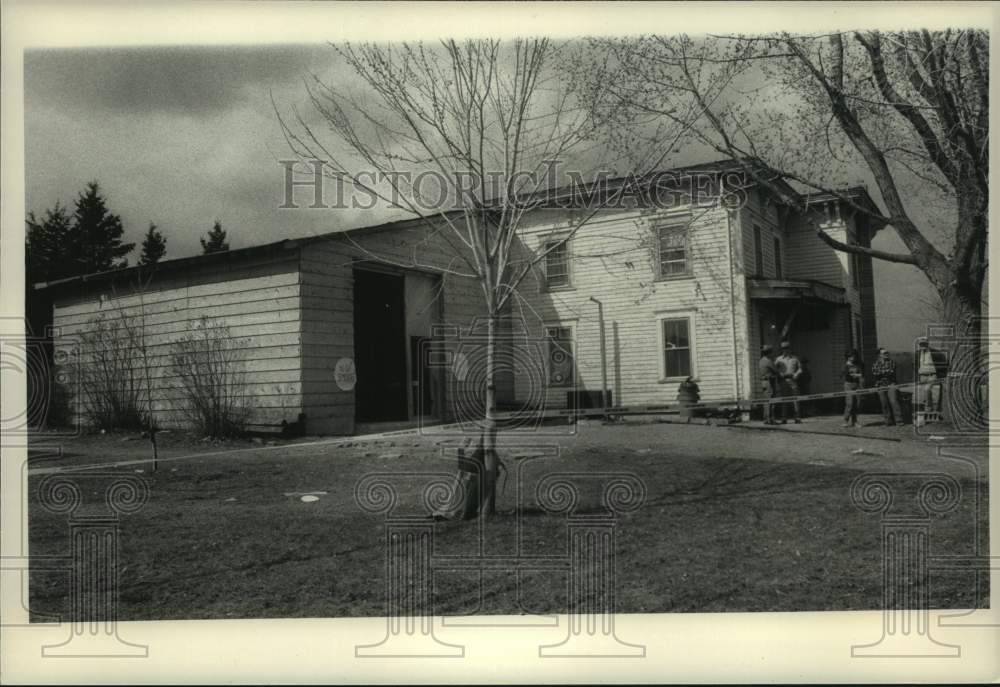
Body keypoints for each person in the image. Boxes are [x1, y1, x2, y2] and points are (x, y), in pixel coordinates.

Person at [871, 347, 905, 426]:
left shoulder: (892, 362)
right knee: (884, 403)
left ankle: (899, 420)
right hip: (880, 385)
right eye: (884, 353)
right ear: (879, 355)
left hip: (891, 384)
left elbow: (890, 373)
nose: (886, 354)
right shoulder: (875, 364)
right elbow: (876, 374)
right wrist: (884, 373)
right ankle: (888, 421)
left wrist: (882, 373)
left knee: (894, 401)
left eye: (887, 353)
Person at [916, 337, 944, 420]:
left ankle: (931, 411)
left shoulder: (935, 353)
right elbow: (914, 365)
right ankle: (928, 412)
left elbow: (943, 363)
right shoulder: (917, 353)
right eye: (921, 344)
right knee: (924, 394)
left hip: (932, 375)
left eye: (924, 344)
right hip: (922, 376)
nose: (923, 346)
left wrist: (940, 374)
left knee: (929, 390)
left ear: (927, 344)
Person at [774, 341, 802, 423]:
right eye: (783, 349)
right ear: (782, 350)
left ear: (789, 349)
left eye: (787, 348)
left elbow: (800, 369)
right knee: (784, 400)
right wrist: (779, 374)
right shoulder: (778, 359)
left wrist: (797, 374)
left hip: (793, 380)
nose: (785, 350)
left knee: (795, 400)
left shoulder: (795, 358)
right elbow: (774, 370)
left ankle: (797, 418)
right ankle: (784, 418)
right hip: (783, 381)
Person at [843, 349, 865, 427]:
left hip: (857, 384)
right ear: (847, 357)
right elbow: (845, 375)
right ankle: (846, 420)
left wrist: (858, 375)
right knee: (850, 403)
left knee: (857, 403)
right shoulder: (846, 365)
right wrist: (848, 366)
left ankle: (855, 421)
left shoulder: (859, 364)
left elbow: (863, 374)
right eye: (849, 356)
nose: (852, 358)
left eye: (853, 356)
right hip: (848, 384)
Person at [757, 344, 778, 424]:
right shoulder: (768, 361)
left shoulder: (761, 360)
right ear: (769, 352)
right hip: (769, 382)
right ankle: (770, 419)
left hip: (763, 382)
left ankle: (765, 418)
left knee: (766, 400)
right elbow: (776, 371)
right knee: (771, 400)